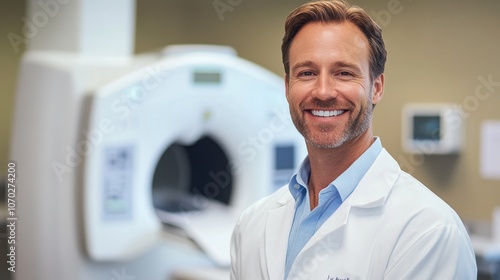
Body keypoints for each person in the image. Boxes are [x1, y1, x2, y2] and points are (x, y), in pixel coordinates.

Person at [229, 0, 477, 279]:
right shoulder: (252, 225)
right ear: (288, 87)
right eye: (307, 73)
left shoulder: (428, 231)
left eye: (344, 73)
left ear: (377, 87)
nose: (323, 91)